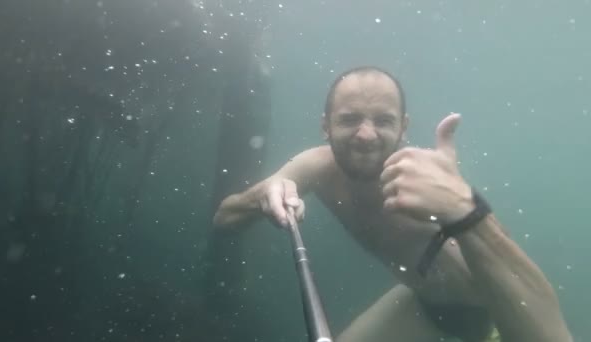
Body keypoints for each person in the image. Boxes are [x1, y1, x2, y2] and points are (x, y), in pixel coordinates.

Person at [212, 66, 572, 342]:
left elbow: (547, 329)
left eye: (383, 121)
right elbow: (225, 218)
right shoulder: (316, 166)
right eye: (350, 119)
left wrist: (466, 210)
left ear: (403, 128)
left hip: (488, 321)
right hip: (420, 304)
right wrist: (262, 196)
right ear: (325, 126)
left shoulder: (425, 181)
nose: (366, 135)